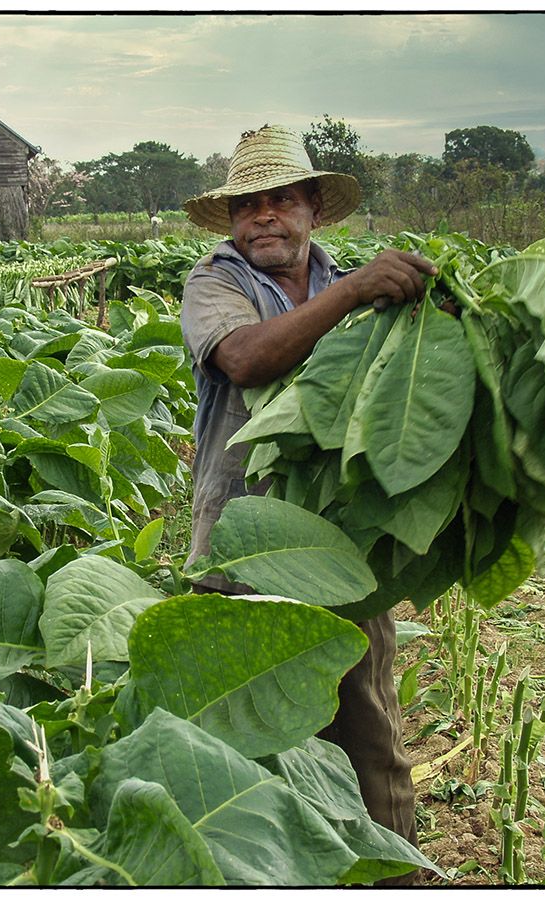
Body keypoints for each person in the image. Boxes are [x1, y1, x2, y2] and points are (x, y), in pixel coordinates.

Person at [179, 124, 435, 876]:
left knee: (367, 734)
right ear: (231, 222)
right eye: (247, 206)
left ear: (312, 209)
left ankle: (392, 872)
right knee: (243, 738)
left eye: (279, 200)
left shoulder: (346, 285)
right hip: (241, 547)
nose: (262, 217)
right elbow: (246, 358)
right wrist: (358, 292)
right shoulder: (215, 283)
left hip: (338, 545)